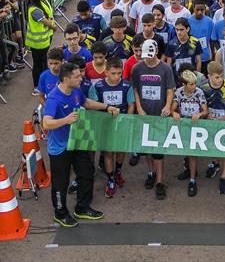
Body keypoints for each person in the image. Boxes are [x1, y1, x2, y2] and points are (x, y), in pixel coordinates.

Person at [42, 62, 117, 227]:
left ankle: (82, 207)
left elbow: (86, 102)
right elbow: (46, 124)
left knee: (86, 172)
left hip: (76, 140)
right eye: (77, 76)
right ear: (66, 79)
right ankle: (60, 213)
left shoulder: (75, 91)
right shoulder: (54, 98)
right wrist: (66, 120)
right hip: (60, 148)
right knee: (61, 182)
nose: (81, 77)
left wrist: (107, 107)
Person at [131, 39, 176, 200]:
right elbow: (136, 89)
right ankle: (151, 172)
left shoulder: (165, 68)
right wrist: (139, 108)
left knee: (158, 150)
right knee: (146, 148)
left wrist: (168, 106)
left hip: (159, 114)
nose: (147, 59)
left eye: (150, 56)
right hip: (144, 114)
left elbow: (170, 89)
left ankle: (160, 181)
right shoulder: (137, 68)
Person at [91, 58, 134, 198]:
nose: (117, 77)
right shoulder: (97, 86)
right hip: (106, 125)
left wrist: (126, 120)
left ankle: (118, 172)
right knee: (108, 152)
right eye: (113, 73)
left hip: (121, 125)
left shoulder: (127, 86)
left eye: (119, 73)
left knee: (121, 150)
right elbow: (93, 105)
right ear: (106, 72)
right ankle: (110, 179)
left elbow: (131, 104)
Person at [200, 61, 225, 193]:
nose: (220, 80)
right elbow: (201, 106)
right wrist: (205, 115)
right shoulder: (203, 88)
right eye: (217, 77)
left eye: (221, 76)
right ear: (209, 76)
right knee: (212, 145)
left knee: (224, 149)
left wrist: (223, 119)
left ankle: (224, 176)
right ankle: (215, 163)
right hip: (210, 123)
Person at [172, 69, 208, 197]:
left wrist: (199, 114)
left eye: (195, 84)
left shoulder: (199, 93)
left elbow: (205, 111)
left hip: (196, 126)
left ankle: (192, 180)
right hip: (184, 125)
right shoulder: (179, 92)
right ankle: (188, 170)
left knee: (193, 153)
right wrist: (174, 113)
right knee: (186, 150)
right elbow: (173, 108)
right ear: (184, 84)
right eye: (191, 84)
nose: (194, 87)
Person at [26, 0, 57, 96]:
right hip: (37, 42)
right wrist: (54, 27)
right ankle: (37, 87)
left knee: (43, 62)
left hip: (43, 40)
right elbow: (45, 21)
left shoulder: (42, 3)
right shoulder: (34, 10)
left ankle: (44, 84)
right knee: (38, 65)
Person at [187, 0, 215, 73]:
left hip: (206, 57)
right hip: (192, 58)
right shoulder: (188, 21)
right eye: (197, 9)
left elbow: (212, 41)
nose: (199, 12)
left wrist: (213, 57)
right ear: (193, 8)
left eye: (202, 10)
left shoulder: (209, 22)